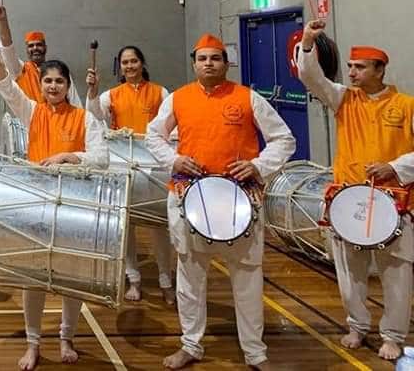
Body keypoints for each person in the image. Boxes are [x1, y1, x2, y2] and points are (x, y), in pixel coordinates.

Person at [146, 33, 294, 370]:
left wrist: (257, 166)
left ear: (226, 63)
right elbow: (153, 135)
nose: (209, 64)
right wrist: (173, 160)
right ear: (194, 64)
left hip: (240, 200)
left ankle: (255, 353)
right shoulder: (179, 98)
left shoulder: (248, 98)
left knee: (247, 278)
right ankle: (190, 345)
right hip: (189, 198)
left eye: (215, 58)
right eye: (202, 59)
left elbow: (284, 139)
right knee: (190, 278)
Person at [0, 25, 108, 371]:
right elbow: (5, 84)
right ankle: (33, 344)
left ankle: (67, 338)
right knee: (32, 278)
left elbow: (102, 158)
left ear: (68, 85)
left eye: (59, 81)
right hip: (37, 203)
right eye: (47, 81)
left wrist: (70, 157)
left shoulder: (84, 118)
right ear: (41, 85)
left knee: (71, 276)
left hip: (75, 207)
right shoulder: (32, 112)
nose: (53, 86)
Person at [297, 19, 414, 361]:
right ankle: (357, 326)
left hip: (394, 202)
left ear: (380, 70)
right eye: (349, 66)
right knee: (350, 271)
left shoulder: (406, 105)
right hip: (348, 199)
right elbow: (311, 77)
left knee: (396, 273)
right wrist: (308, 42)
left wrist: (396, 167)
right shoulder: (343, 99)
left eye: (360, 67)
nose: (351, 72)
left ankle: (393, 335)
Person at [86, 45, 175, 304]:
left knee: (160, 226)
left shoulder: (160, 92)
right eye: (125, 62)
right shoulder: (111, 95)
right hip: (122, 165)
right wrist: (92, 90)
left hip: (154, 167)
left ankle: (166, 280)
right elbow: (94, 116)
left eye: (134, 61)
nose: (130, 66)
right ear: (120, 67)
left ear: (142, 63)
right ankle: (133, 278)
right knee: (126, 227)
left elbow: (172, 125)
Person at [0, 2, 81, 105]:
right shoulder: (20, 70)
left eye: (39, 45)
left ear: (45, 47)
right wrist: (2, 20)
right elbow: (7, 48)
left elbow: (75, 102)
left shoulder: (59, 71)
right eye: (31, 46)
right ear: (27, 50)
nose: (35, 48)